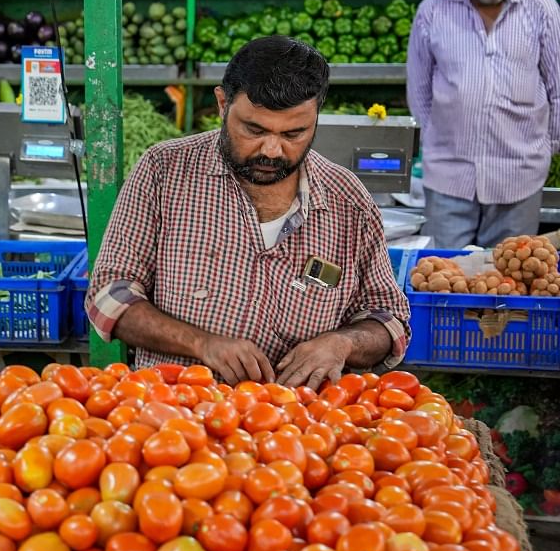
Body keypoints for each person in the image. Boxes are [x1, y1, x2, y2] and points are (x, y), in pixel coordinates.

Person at [86, 36, 410, 388]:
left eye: (295, 133)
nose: (271, 150)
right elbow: (109, 296)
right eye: (253, 130)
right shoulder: (164, 171)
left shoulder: (348, 204)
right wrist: (202, 344)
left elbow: (389, 320)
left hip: (297, 427)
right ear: (223, 104)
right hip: (174, 419)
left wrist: (342, 343)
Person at [407, 0, 560, 249]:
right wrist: (436, 142)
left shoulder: (541, 9)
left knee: (507, 283)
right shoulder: (433, 12)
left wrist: (547, 149)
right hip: (450, 177)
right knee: (443, 279)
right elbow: (419, 91)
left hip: (519, 177)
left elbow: (558, 87)